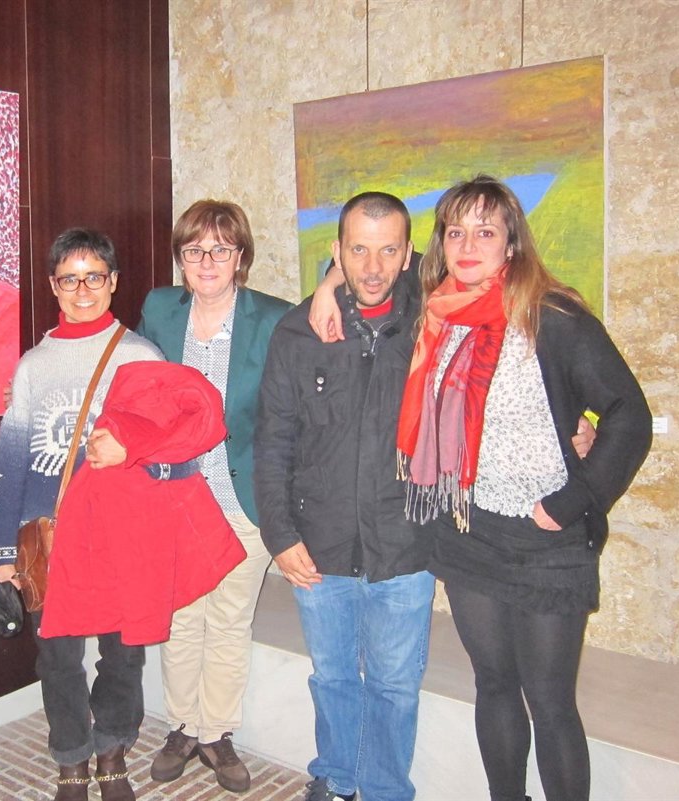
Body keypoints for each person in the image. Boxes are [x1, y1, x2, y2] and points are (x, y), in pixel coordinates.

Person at [397, 175, 651, 801]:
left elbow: (628, 416)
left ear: (511, 242)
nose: (468, 245)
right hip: (469, 531)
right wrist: (327, 289)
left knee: (550, 701)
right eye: (456, 232)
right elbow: (359, 275)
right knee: (493, 684)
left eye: (485, 231)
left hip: (547, 540)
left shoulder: (552, 316)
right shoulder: (438, 315)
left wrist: (571, 502)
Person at [256, 192, 435, 801]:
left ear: (408, 255)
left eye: (388, 251)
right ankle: (335, 778)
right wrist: (279, 536)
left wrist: (577, 420)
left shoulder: (433, 326)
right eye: (357, 250)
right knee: (332, 677)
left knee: (394, 687)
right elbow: (272, 441)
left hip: (404, 547)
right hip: (318, 546)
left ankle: (385, 791)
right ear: (337, 251)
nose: (373, 267)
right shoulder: (298, 331)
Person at [0, 228, 163, 801]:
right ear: (53, 286)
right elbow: (11, 465)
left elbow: (171, 456)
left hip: (120, 537)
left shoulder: (141, 357)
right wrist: (0, 555)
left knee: (122, 654)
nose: (83, 290)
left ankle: (112, 749)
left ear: (113, 282)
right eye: (70, 279)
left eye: (94, 277)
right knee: (57, 658)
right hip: (49, 538)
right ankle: (71, 759)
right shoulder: (34, 367)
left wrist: (133, 451)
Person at [135, 199, 291, 792]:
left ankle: (215, 733)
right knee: (181, 618)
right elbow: (133, 386)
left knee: (227, 619)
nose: (207, 261)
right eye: (195, 249)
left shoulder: (271, 319)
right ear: (180, 257)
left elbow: (288, 411)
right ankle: (181, 726)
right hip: (174, 499)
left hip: (241, 498)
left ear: (240, 257)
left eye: (221, 249)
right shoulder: (160, 309)